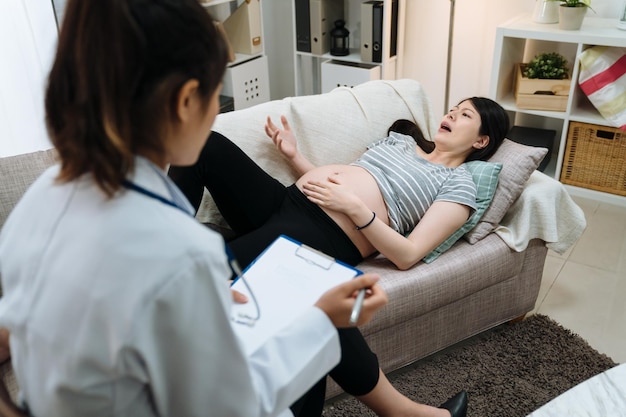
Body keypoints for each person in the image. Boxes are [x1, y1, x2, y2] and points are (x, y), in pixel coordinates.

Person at [0, 1, 389, 416]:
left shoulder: (41, 201)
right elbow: (238, 404)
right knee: (306, 351)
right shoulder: (182, 253)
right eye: (214, 92)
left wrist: (194, 304)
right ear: (186, 101)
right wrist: (318, 319)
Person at [167, 96, 509, 417]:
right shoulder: (402, 141)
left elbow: (408, 254)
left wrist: (356, 209)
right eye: (453, 108)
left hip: (322, 234)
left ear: (481, 141)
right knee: (204, 144)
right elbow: (336, 182)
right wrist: (294, 156)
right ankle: (163, 245)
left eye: (465, 115)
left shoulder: (459, 183)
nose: (450, 114)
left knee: (204, 275)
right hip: (286, 201)